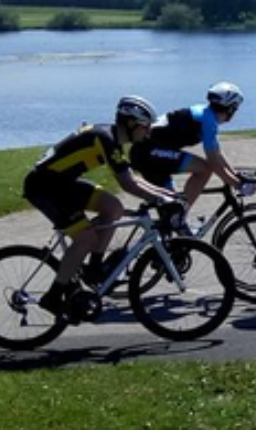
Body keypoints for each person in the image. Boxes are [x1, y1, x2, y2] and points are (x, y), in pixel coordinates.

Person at [24, 96, 182, 320]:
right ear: (131, 123)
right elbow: (127, 184)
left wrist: (166, 194)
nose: (148, 133)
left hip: (62, 182)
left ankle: (93, 268)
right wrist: (161, 200)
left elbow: (132, 177)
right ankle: (53, 295)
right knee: (85, 239)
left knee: (113, 207)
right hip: (45, 188)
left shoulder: (111, 137)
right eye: (145, 127)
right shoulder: (105, 139)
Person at [130, 82, 255, 217]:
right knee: (205, 169)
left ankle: (177, 218)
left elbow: (217, 153)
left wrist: (235, 175)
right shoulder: (208, 120)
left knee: (171, 207)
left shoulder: (206, 114)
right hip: (147, 152)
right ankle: (180, 216)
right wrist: (237, 184)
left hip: (149, 151)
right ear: (231, 109)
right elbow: (213, 161)